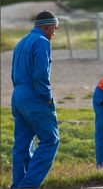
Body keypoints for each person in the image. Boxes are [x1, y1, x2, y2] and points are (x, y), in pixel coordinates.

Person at [11, 10, 60, 188]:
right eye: (54, 28)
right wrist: (47, 97)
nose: (54, 33)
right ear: (45, 26)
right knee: (50, 141)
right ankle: (28, 186)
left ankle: (17, 185)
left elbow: (13, 73)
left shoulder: (21, 42)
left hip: (18, 96)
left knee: (22, 145)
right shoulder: (42, 42)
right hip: (35, 96)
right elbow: (41, 74)